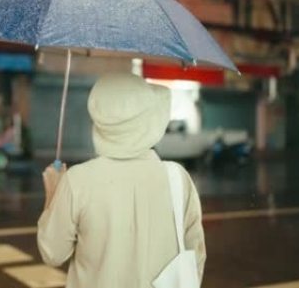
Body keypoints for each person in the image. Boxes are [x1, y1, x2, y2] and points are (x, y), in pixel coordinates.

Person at [38, 74, 206, 288]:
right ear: (149, 120)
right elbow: (195, 257)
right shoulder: (178, 178)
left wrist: (53, 196)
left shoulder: (78, 181)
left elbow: (53, 254)